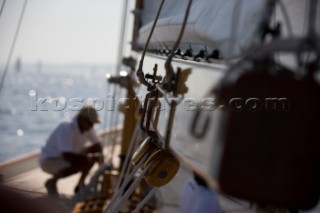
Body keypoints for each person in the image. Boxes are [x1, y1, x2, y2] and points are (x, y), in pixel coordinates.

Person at [39, 105, 103, 196]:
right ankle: (51, 182)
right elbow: (67, 155)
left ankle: (80, 185)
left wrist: (100, 159)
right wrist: (89, 158)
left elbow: (98, 145)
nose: (91, 126)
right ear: (82, 119)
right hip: (50, 160)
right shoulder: (66, 128)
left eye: (93, 124)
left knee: (93, 154)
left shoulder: (88, 128)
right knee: (80, 163)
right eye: (90, 123)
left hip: (70, 154)